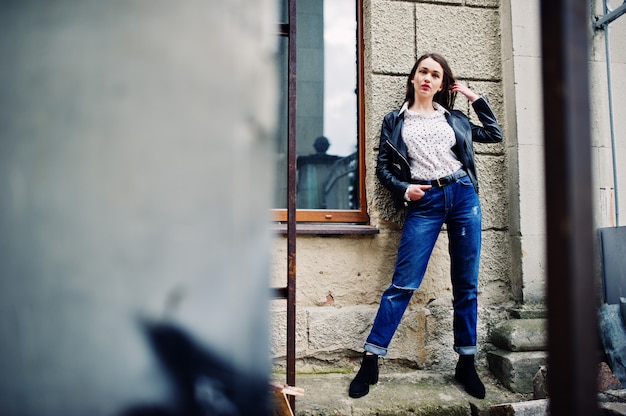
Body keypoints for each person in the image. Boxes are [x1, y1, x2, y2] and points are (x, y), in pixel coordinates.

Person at [348, 53, 503, 400]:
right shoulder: (395, 120)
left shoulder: (456, 118)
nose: (428, 78)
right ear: (414, 77)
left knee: (466, 285)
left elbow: (493, 134)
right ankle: (371, 359)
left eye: (435, 74)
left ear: (442, 82)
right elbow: (383, 168)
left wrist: (474, 97)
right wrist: (404, 189)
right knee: (403, 284)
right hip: (425, 202)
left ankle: (466, 361)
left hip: (463, 197)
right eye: (423, 72)